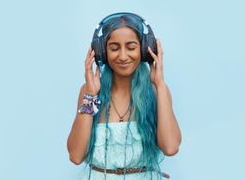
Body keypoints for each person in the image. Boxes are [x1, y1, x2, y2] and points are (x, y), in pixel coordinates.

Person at [67, 12, 181, 179]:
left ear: (144, 50)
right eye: (114, 48)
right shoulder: (90, 93)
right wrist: (91, 95)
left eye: (131, 47)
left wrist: (160, 86)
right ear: (102, 52)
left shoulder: (157, 91)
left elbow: (170, 148)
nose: (122, 56)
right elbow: (76, 156)